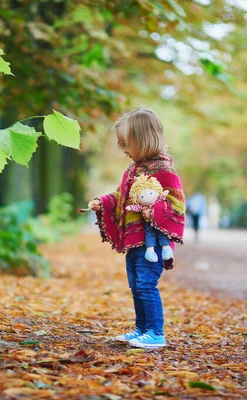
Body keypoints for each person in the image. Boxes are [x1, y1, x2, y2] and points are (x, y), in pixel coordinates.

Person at [87, 108, 186, 349]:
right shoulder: (132, 170)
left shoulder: (164, 170)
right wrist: (102, 201)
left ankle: (155, 332)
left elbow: (176, 203)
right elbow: (121, 196)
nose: (123, 149)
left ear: (142, 140)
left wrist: (152, 211)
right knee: (135, 285)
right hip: (135, 240)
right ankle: (142, 328)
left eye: (126, 143)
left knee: (146, 285)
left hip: (154, 242)